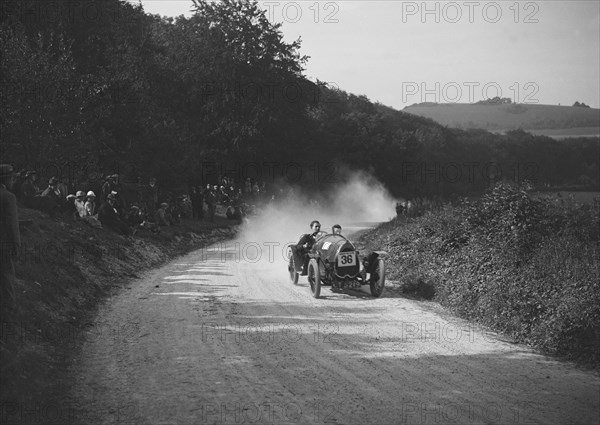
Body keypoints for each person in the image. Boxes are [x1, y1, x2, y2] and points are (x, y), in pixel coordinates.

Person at [0, 164, 21, 311]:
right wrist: (16, 244)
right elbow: (13, 224)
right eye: (12, 179)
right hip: (4, 243)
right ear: (6, 180)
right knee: (7, 275)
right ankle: (9, 309)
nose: (13, 182)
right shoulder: (8, 197)